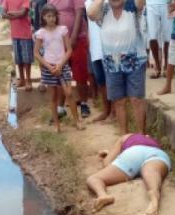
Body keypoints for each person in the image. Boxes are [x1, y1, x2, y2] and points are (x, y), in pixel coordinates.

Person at [87, 0, 148, 134]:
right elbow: (91, 14)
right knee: (119, 101)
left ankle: (141, 137)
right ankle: (124, 138)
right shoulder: (103, 10)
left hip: (135, 61)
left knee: (136, 99)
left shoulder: (132, 6)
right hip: (111, 63)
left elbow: (141, 3)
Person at [86, 134, 171, 215]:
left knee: (94, 178)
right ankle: (154, 200)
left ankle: (103, 195)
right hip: (157, 153)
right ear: (147, 136)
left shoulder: (126, 137)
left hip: (133, 153)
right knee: (151, 171)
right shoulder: (153, 142)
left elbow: (107, 163)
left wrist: (108, 156)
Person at [34, 4, 84, 132]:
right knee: (53, 97)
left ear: (57, 16)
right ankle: (57, 125)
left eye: (53, 16)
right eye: (48, 16)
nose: (51, 19)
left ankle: (77, 121)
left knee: (69, 93)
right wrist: (48, 66)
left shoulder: (63, 30)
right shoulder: (41, 33)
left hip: (63, 65)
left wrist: (61, 64)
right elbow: (36, 53)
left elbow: (69, 49)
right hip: (49, 68)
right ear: (43, 17)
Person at [49, 0, 91, 117]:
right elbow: (50, 15)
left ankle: (84, 104)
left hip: (76, 38)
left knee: (80, 74)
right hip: (58, 40)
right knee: (60, 73)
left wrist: (73, 36)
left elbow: (79, 13)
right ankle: (61, 108)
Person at [85, 0, 110, 122]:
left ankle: (114, 112)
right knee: (101, 81)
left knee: (112, 80)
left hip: (108, 46)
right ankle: (106, 111)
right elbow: (89, 24)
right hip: (95, 48)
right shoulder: (87, 2)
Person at [3, 0, 33, 90]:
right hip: (14, 34)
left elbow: (23, 13)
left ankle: (28, 80)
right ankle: (22, 79)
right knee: (18, 59)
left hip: (25, 34)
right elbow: (3, 14)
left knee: (27, 59)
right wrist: (17, 14)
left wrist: (10, 14)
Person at [145, 0, 170, 79]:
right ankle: (157, 67)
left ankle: (166, 67)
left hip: (166, 3)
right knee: (152, 37)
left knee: (168, 37)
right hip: (150, 4)